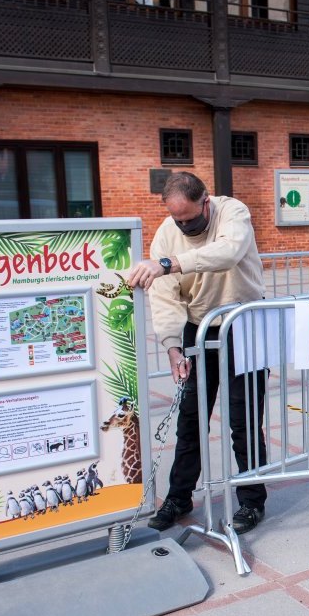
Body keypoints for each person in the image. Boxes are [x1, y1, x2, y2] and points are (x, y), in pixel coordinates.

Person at [126, 171, 268, 534]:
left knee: (244, 420)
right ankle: (179, 496)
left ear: (206, 201)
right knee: (189, 418)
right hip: (198, 328)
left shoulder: (232, 212)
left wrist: (168, 263)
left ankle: (252, 501)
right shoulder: (166, 233)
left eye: (190, 218)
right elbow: (164, 295)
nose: (185, 226)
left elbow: (229, 252)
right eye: (178, 219)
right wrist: (173, 346)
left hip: (245, 323)